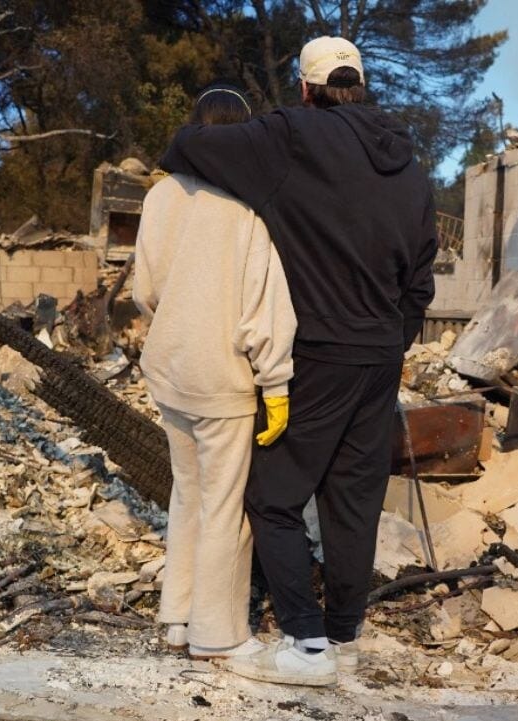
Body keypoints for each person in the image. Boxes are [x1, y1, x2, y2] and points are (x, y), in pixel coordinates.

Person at [159, 37, 438, 686]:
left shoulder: (293, 134)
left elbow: (187, 147)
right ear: (360, 86)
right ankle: (343, 642)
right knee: (353, 504)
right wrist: (393, 339)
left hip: (314, 354)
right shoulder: (411, 165)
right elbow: (421, 281)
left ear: (307, 89)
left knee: (272, 497)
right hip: (378, 361)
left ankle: (306, 646)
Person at [133, 83, 297, 660]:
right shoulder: (244, 206)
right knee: (226, 506)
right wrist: (275, 382)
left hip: (170, 370)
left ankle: (176, 616)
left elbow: (143, 292)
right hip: (224, 380)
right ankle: (216, 634)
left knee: (187, 495)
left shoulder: (158, 199)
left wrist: (174, 321)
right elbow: (265, 308)